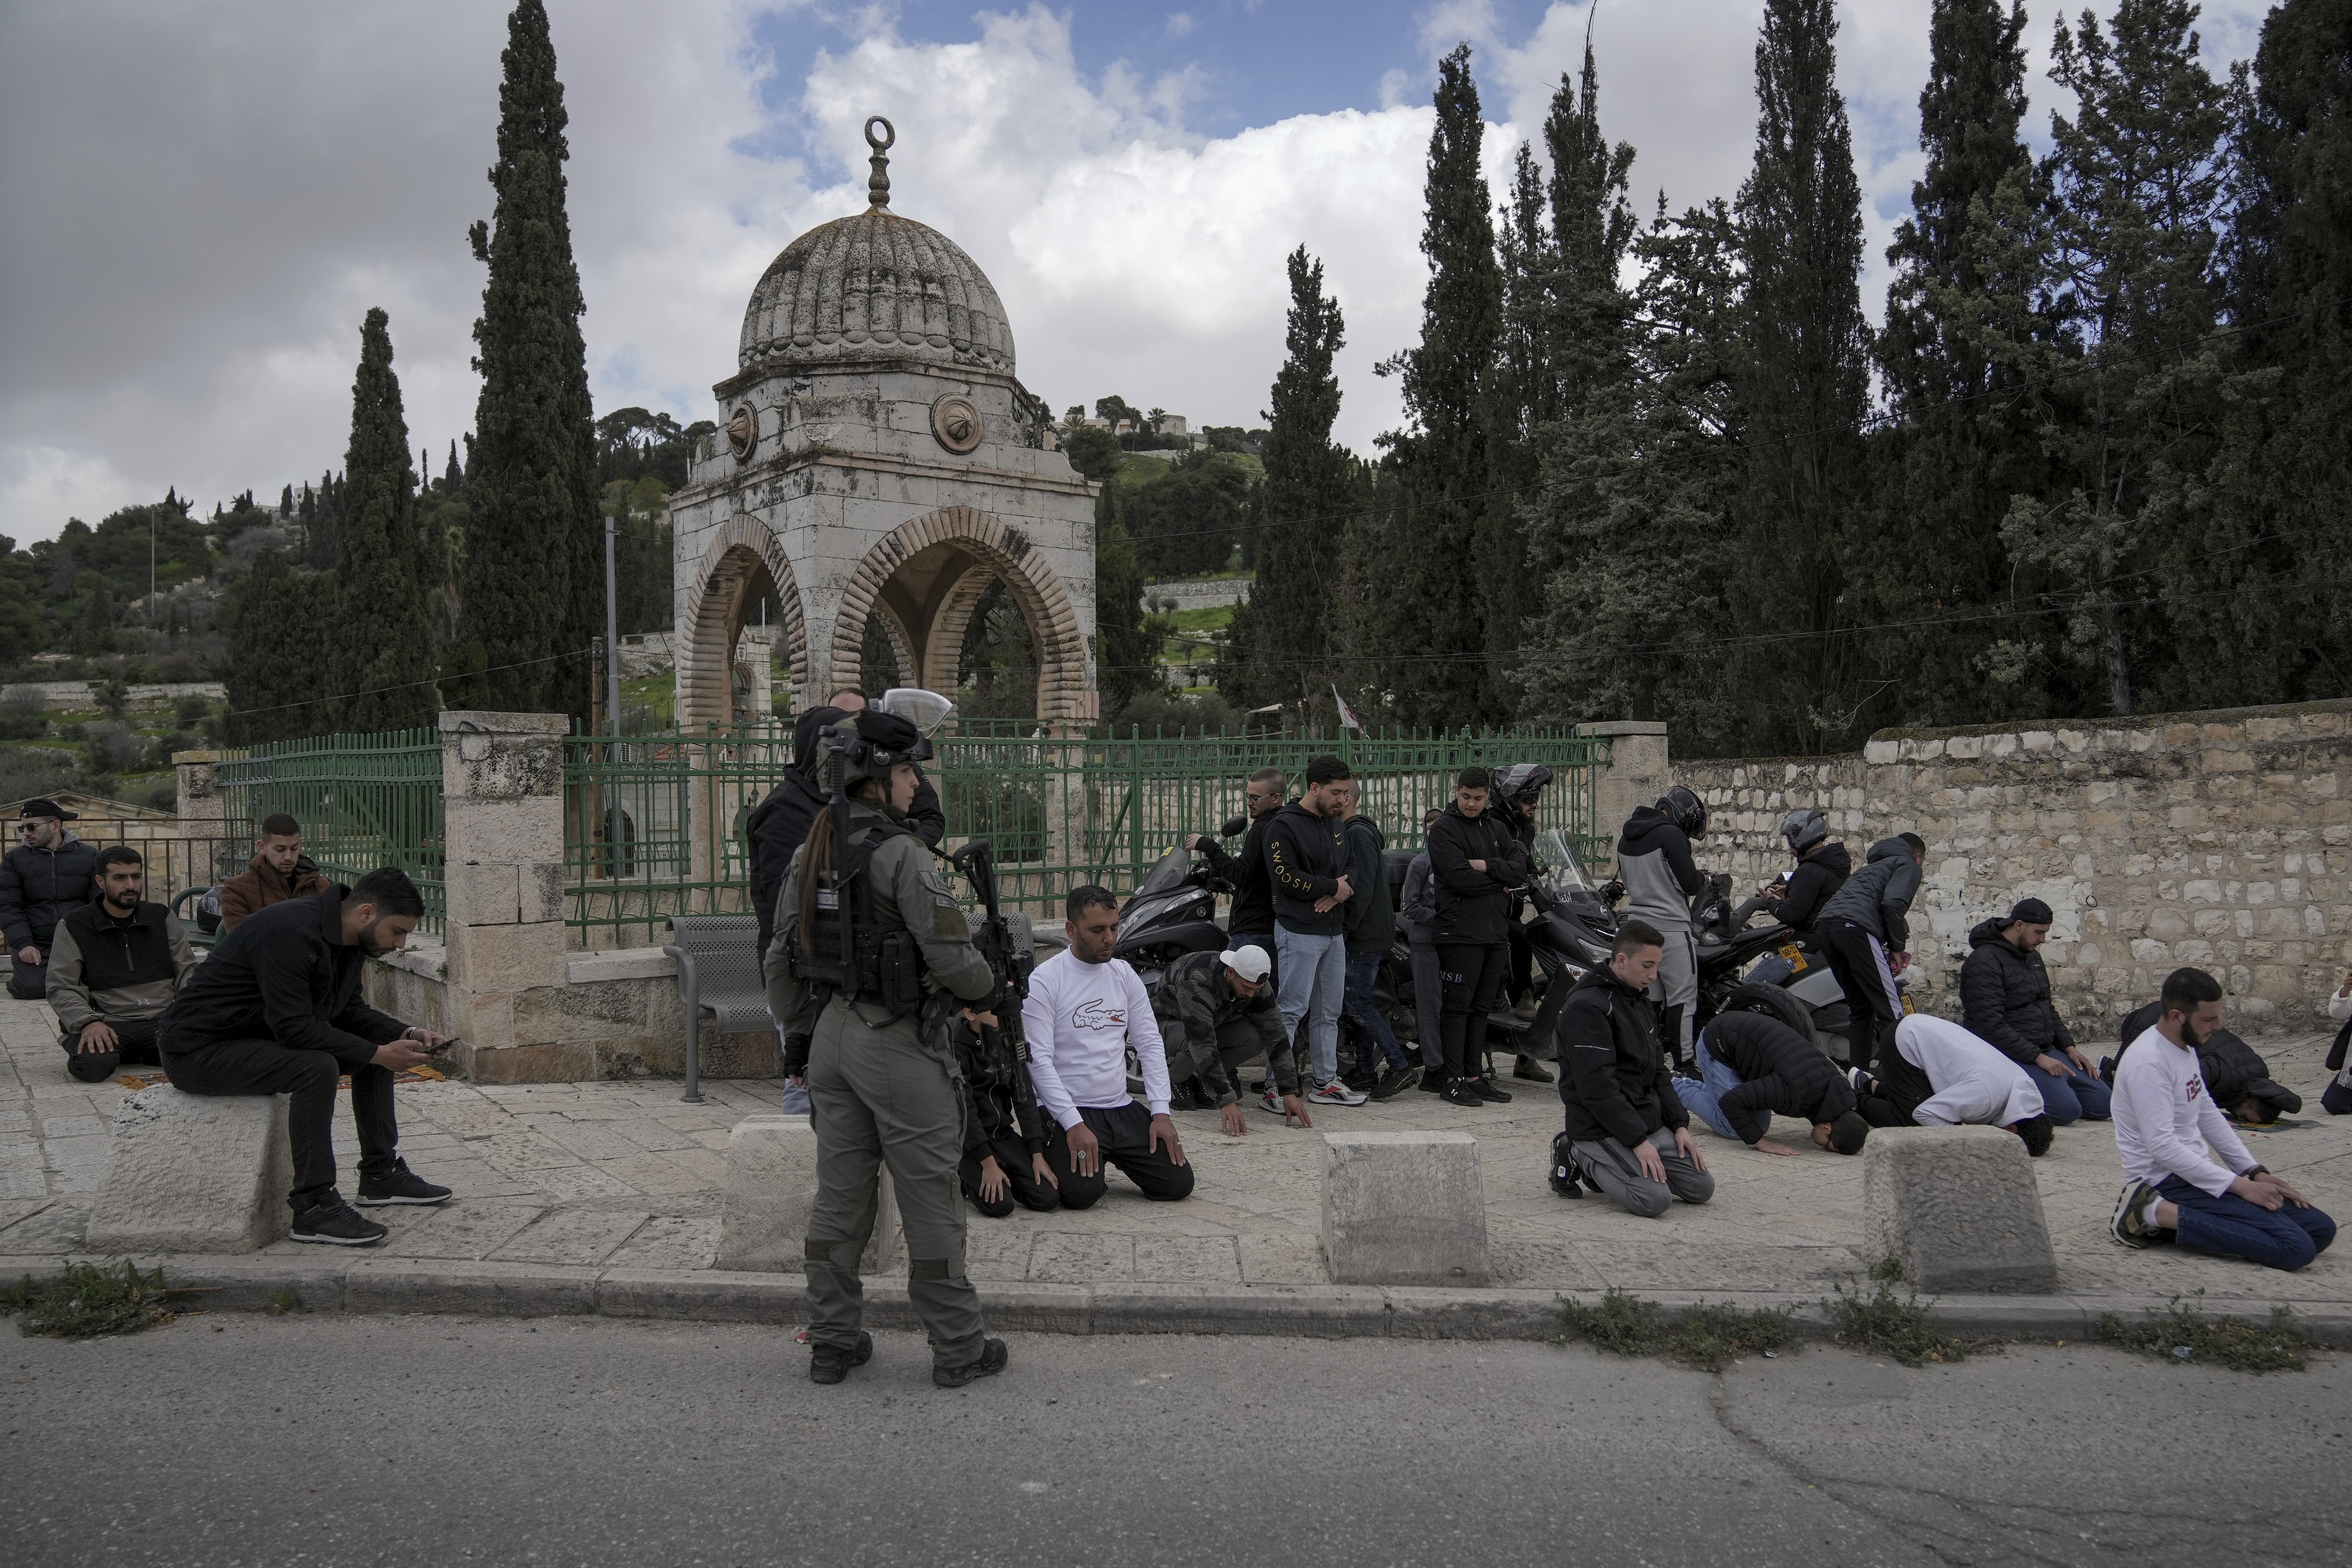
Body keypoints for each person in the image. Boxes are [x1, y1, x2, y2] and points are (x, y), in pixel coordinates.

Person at [767, 707, 1007, 1388]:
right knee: (931, 1199)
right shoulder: (901, 853)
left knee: (838, 1200)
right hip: (897, 1043)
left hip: (833, 1041)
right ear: (875, 777)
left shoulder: (811, 846)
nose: (914, 784)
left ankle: (832, 1342)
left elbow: (780, 956)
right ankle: (959, 1346)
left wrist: (799, 1043)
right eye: (906, 770)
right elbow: (954, 958)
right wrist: (987, 987)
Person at [157, 867, 454, 1245]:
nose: (401, 943)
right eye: (397, 930)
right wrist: (380, 1052)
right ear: (366, 913)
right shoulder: (289, 931)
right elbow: (294, 1029)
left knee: (370, 1049)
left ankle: (380, 1175)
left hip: (254, 1038)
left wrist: (407, 1035)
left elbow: (349, 1011)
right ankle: (313, 1207)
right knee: (316, 1067)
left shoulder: (351, 939)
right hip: (198, 1052)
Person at [751, 690, 948, 1115]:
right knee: (806, 1091)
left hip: (857, 979)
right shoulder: (785, 811)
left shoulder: (859, 804)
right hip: (810, 974)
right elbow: (789, 909)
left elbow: (930, 815)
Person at [2109, 968, 2335, 1271]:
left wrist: (2254, 1172)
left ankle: (2176, 1225)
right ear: (2177, 1016)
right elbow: (2161, 1147)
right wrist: (2239, 1188)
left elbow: (2206, 1112)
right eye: (2208, 1019)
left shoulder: (2186, 1046)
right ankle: (2152, 1213)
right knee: (2296, 1248)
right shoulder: (2148, 1063)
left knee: (2320, 1230)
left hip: (2194, 1175)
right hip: (2164, 1182)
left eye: (2218, 1016)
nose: (2218, 1026)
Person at [1024, 886, 1195, 1206]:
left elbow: (1149, 1043)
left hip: (1118, 1106)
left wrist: (1161, 1112)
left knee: (1177, 1185)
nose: (1109, 938)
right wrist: (1072, 1122)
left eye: (1114, 928)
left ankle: (1105, 1155)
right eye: (1097, 930)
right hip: (1067, 1110)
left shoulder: (1123, 974)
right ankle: (1078, 1157)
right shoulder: (1045, 980)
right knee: (1079, 1196)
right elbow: (1037, 1061)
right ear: (1072, 930)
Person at [1554, 919, 1714, 1216]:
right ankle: (1575, 1152)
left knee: (1700, 1188)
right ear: (1621, 959)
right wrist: (1637, 1142)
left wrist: (1679, 1124)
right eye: (1647, 966)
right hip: (1599, 1126)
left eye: (1657, 966)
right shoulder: (1586, 1007)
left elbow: (1658, 1070)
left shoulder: (1638, 998)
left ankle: (1623, 1159)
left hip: (1643, 1119)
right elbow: (1596, 1089)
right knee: (1653, 1201)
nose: (1654, 976)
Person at [48, 846, 200, 1084]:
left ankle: (144, 1051)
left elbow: (188, 971)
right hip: (108, 1022)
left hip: (160, 1020)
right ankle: (111, 1047)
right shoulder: (75, 925)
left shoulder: (161, 917)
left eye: (136, 877)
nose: (130, 885)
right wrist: (88, 1022)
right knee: (92, 1067)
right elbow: (60, 986)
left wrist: (186, 1013)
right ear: (101, 881)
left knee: (202, 1054)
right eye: (120, 878)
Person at [1959, 897, 2112, 1124]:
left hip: (2044, 1048)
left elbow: (2046, 1007)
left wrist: (2069, 1047)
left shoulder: (2032, 956)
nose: (2043, 940)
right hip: (2007, 1053)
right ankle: (2006, 1096)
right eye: (2039, 933)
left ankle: (2052, 1089)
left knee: (2104, 1104)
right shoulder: (1984, 961)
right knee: (2066, 1112)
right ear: (2019, 925)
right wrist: (2037, 1058)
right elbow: (1989, 1025)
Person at [1427, 768, 1527, 1107]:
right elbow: (1458, 880)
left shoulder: (1497, 827)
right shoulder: (1443, 829)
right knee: (1457, 1008)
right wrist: (1499, 880)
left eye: (1478, 798)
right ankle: (1452, 1080)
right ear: (1456, 791)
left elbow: (1519, 868)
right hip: (1458, 933)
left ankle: (1474, 1076)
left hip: (1495, 933)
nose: (1471, 804)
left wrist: (1484, 865)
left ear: (1488, 797)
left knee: (1483, 1008)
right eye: (1465, 797)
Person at [1266, 756, 1362, 1107]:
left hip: (1333, 933)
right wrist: (1328, 888)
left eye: (1345, 793)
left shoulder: (1336, 825)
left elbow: (1352, 865)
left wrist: (1341, 888)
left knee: (1328, 1013)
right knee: (1290, 1010)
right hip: (1299, 931)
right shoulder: (1284, 825)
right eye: (1336, 793)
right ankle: (1275, 1087)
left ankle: (1324, 1082)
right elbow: (1284, 876)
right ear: (1314, 788)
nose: (1343, 800)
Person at [1150, 945, 1311, 1133]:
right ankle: (1175, 1079)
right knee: (1192, 1044)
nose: (1252, 994)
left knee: (1255, 1037)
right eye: (1247, 988)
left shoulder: (1253, 980)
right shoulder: (1198, 979)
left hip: (1212, 1022)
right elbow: (1201, 1041)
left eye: (1256, 989)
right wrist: (1226, 1100)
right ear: (1231, 972)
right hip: (1167, 1022)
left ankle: (1201, 1077)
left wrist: (1289, 1092)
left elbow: (1275, 1033)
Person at [1672, 1011, 1870, 1157]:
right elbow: (1731, 1102)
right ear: (1826, 1128)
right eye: (1827, 1147)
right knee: (1732, 1129)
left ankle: (1691, 1084)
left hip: (1745, 1044)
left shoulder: (1836, 1091)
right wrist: (1761, 1143)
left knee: (1758, 1124)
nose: (1821, 1147)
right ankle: (1674, 1085)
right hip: (1718, 1043)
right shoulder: (1792, 1090)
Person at [1850, 1014, 2055, 1155]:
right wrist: (1960, 1139)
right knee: (1910, 1124)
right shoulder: (1985, 1096)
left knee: (1936, 1107)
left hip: (1921, 1029)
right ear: (2011, 1130)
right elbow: (1924, 1113)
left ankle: (1871, 1085)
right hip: (1903, 1041)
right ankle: (1850, 1096)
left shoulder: (2023, 1089)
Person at [1814, 833, 1925, 1074]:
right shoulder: (1909, 865)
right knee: (1891, 1008)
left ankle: (1858, 1079)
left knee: (1861, 1009)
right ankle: (1903, 1078)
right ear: (1918, 856)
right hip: (1855, 929)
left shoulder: (1870, 869)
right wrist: (1898, 948)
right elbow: (1893, 904)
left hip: (1825, 928)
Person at [1614, 786, 1708, 1065]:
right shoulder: (1671, 836)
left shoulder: (1626, 837)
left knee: (1649, 998)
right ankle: (1685, 1064)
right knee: (1682, 998)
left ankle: (1648, 1061)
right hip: (1671, 928)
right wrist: (1704, 879)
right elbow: (1690, 884)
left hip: (1638, 928)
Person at [1337, 780, 1416, 1099]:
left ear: (1346, 799)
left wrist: (1346, 930)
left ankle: (1399, 1066)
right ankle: (1366, 1072)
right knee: (1360, 1003)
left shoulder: (1357, 834)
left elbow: (1363, 888)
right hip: (1366, 933)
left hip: (1364, 935)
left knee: (1357, 1004)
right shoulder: (1354, 832)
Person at [952, 1015, 1059, 1219]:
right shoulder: (957, 1048)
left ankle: (1003, 1172)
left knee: (1047, 1198)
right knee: (1000, 1206)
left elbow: (1024, 1099)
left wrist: (1037, 1154)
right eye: (993, 1008)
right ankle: (961, 1171)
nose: (1000, 1013)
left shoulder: (1008, 1041)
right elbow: (963, 1110)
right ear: (970, 1012)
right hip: (969, 1143)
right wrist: (988, 1164)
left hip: (1003, 1135)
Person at [1191, 767, 1285, 988]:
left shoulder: (1263, 828)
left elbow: (1242, 874)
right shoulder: (1282, 824)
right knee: (1265, 993)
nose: (1249, 802)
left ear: (1276, 798)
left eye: (1255, 797)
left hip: (1253, 929)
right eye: (1247, 796)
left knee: (1227, 988)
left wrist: (1209, 846)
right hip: (1271, 924)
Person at [0, 798, 97, 1001]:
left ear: (55, 826)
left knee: (100, 985)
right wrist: (23, 943)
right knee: (32, 989)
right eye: (23, 828)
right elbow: (8, 906)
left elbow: (99, 902)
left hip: (79, 941)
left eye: (32, 827)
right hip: (38, 945)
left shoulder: (90, 857)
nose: (26, 833)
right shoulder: (14, 860)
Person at [218, 813, 327, 933]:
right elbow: (241, 941)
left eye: (294, 848)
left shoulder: (319, 884)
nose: (288, 857)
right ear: (262, 847)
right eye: (280, 849)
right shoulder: (237, 889)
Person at [1400, 809, 1446, 1088]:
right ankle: (1434, 1067)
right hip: (1426, 944)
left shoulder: (1456, 862)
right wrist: (1442, 919)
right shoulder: (1420, 864)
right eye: (1429, 827)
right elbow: (1410, 906)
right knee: (1430, 1007)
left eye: (1439, 826)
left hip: (1453, 944)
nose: (1433, 831)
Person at [1757, 808, 1849, 943]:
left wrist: (1770, 901)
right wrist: (1789, 896)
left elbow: (1791, 916)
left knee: (1766, 965)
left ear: (1800, 837)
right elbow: (1819, 900)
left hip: (1808, 941)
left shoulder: (1810, 870)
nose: (1790, 850)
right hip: (1827, 938)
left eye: (1790, 840)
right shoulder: (1834, 863)